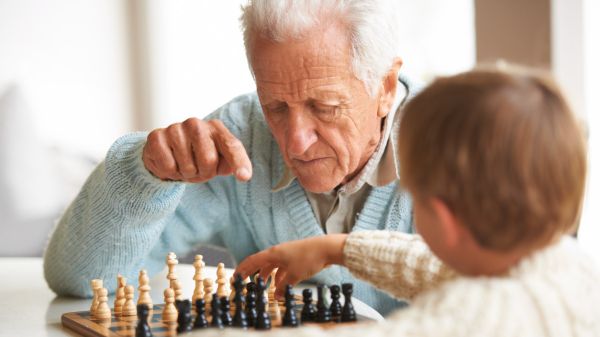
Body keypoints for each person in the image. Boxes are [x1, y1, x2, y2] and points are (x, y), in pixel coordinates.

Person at [43, 0, 414, 315]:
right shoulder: (241, 136)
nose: (296, 143)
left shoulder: (456, 149)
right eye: (276, 107)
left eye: (325, 107)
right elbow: (80, 281)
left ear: (384, 87)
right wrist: (143, 174)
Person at [230, 67, 600, 336]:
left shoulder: (479, 317)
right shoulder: (565, 267)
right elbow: (428, 267)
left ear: (439, 215)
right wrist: (336, 249)